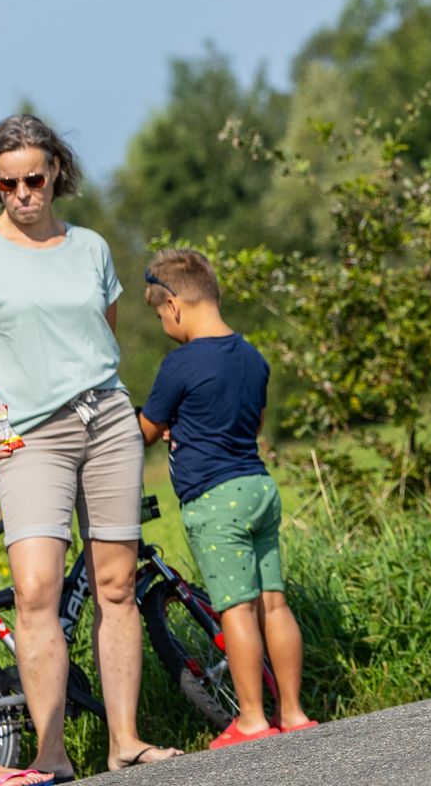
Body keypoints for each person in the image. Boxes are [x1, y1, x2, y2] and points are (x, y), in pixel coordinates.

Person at [0, 115, 183, 780]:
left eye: (33, 178)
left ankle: (124, 741)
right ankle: (51, 753)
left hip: (105, 421)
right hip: (29, 435)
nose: (23, 193)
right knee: (34, 588)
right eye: (8, 183)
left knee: (117, 585)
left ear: (55, 171)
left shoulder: (91, 247)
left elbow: (105, 335)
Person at [137, 247, 315, 749]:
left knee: (235, 609)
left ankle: (253, 719)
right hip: (258, 487)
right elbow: (251, 424)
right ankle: (294, 712)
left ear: (173, 305)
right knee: (273, 603)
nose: (163, 325)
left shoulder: (180, 363)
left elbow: (145, 431)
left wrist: (160, 426)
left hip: (215, 500)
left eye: (159, 315)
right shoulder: (252, 357)